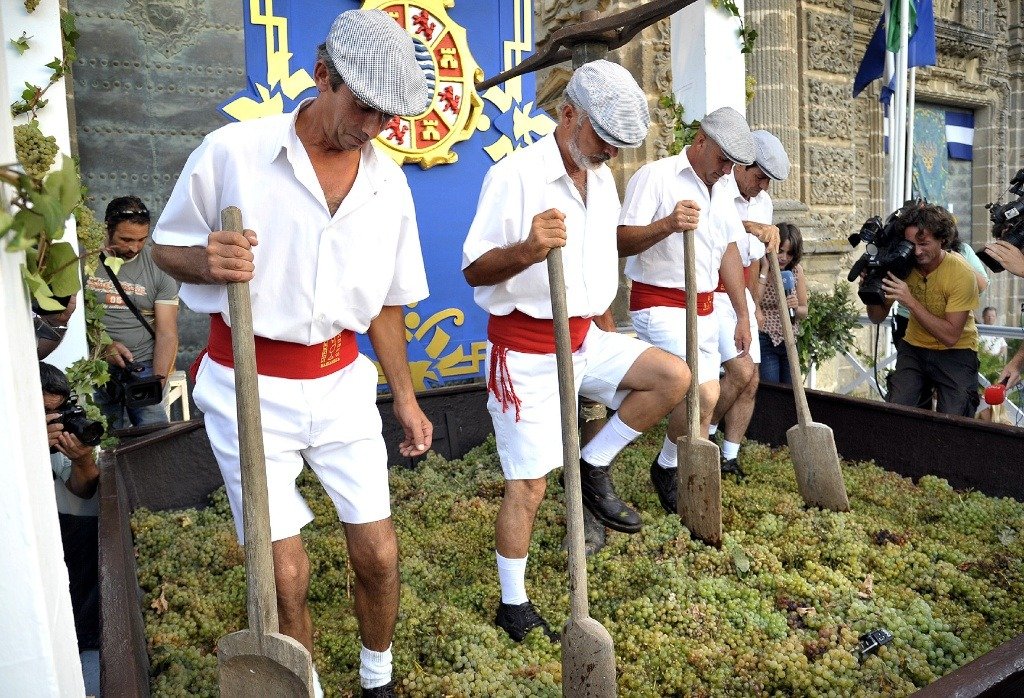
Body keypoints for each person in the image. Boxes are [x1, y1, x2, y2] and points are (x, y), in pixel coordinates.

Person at [151, 10, 433, 696]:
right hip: (247, 384)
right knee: (282, 573)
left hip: (340, 384)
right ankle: (303, 689)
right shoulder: (232, 154)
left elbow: (386, 303)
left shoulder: (387, 184)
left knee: (379, 554)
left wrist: (404, 394)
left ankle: (377, 678)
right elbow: (165, 248)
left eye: (388, 118)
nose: (373, 129)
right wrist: (205, 259)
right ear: (322, 74)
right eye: (364, 108)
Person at [462, 60, 690, 642]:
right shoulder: (516, 176)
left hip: (586, 337)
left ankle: (592, 463)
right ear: (568, 115)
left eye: (620, 144)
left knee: (673, 377)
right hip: (526, 351)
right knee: (530, 486)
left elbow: (594, 261)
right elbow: (473, 269)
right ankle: (513, 602)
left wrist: (605, 318)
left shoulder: (602, 177)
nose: (612, 153)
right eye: (604, 139)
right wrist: (528, 248)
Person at [618, 106, 756, 507]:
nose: (727, 170)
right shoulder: (656, 176)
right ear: (700, 141)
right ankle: (655, 464)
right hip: (658, 302)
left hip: (706, 308)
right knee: (704, 392)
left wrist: (743, 314)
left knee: (704, 398)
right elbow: (620, 240)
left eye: (733, 164)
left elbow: (728, 250)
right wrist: (668, 224)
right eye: (722, 160)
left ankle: (668, 467)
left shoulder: (723, 189)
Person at [707, 129, 787, 475]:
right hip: (713, 292)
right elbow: (712, 229)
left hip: (740, 297)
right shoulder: (719, 187)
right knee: (740, 372)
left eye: (768, 181)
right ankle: (703, 434)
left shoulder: (763, 202)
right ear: (741, 166)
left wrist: (752, 303)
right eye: (760, 177)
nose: (763, 186)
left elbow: (753, 260)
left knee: (751, 381)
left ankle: (729, 454)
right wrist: (750, 226)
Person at [864, 204, 980, 416]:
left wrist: (910, 301)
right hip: (915, 347)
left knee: (955, 419)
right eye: (910, 244)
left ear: (942, 240)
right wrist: (870, 290)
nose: (916, 251)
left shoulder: (962, 273)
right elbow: (876, 316)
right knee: (897, 411)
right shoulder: (903, 265)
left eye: (924, 243)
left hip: (956, 351)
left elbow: (951, 336)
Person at [85, 196, 179, 428]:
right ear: (108, 228)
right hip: (94, 365)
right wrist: (101, 346)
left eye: (141, 240)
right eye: (125, 239)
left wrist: (157, 382)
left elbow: (167, 332)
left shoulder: (158, 266)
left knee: (153, 437)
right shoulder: (83, 259)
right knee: (103, 439)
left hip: (143, 366)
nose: (133, 248)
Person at [40, 361, 101, 697]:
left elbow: (81, 494)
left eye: (58, 412)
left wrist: (82, 460)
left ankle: (84, 639)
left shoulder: (53, 440)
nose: (55, 421)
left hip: (57, 552)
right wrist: (27, 442)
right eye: (46, 414)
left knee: (85, 531)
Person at [758, 223, 808, 385]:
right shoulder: (760, 268)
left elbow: (804, 311)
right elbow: (754, 301)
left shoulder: (795, 271)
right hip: (766, 338)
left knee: (790, 390)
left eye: (790, 253)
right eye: (780, 251)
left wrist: (794, 307)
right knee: (772, 389)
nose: (784, 257)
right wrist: (765, 270)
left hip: (789, 340)